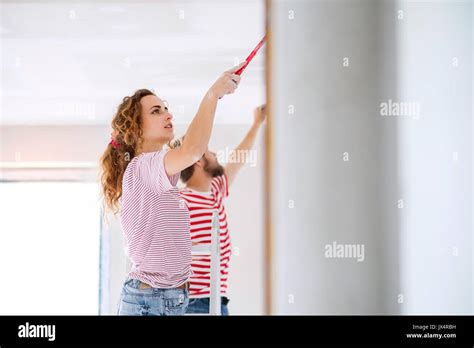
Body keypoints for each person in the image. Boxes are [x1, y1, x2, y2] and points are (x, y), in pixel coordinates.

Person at [99, 63, 244, 315]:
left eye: (166, 108)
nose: (168, 115)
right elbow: (192, 149)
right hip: (150, 299)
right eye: (156, 111)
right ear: (136, 129)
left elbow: (190, 147)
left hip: (167, 296)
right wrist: (212, 94)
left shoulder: (157, 167)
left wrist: (216, 96)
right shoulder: (142, 167)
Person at [179, 105, 267, 315]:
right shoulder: (181, 201)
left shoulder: (214, 193)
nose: (216, 154)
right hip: (192, 304)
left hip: (217, 301)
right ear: (198, 161)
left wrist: (256, 123)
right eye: (209, 151)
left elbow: (237, 160)